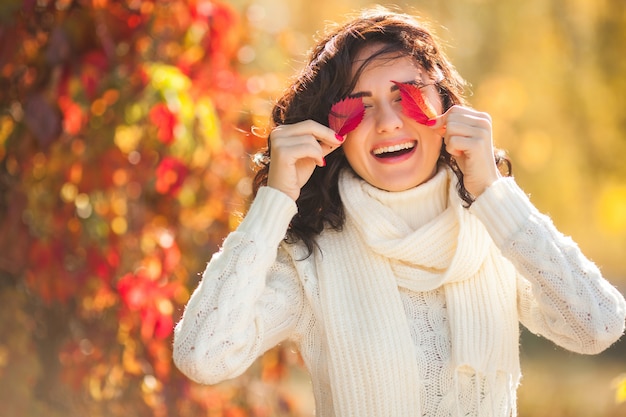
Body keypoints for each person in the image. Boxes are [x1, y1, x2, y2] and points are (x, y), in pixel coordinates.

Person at [173, 7, 626, 417]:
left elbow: (598, 325)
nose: (388, 122)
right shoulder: (311, 260)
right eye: (360, 106)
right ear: (334, 133)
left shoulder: (496, 231)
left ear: (447, 108)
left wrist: (493, 192)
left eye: (405, 95)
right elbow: (203, 355)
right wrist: (274, 202)